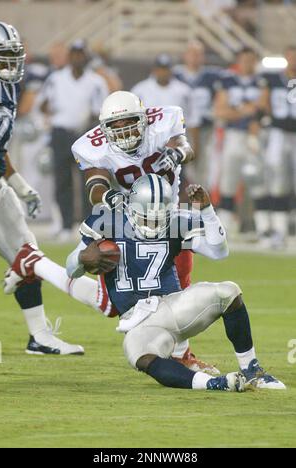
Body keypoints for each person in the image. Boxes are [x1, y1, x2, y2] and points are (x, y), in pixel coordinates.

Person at [66, 174, 285, 391]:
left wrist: (207, 211)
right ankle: (214, 383)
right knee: (138, 354)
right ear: (131, 209)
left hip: (173, 305)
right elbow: (71, 268)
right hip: (137, 320)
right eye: (146, 217)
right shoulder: (106, 221)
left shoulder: (177, 220)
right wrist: (81, 258)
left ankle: (252, 371)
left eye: (159, 216)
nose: (153, 223)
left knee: (228, 292)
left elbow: (219, 252)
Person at [71, 89, 219, 374]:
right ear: (104, 128)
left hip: (168, 214)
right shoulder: (90, 146)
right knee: (108, 300)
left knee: (180, 285)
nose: (124, 130)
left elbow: (186, 146)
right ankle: (36, 263)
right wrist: (108, 198)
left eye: (129, 122)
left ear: (143, 118)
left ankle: (181, 356)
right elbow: (95, 184)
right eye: (115, 125)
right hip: (126, 222)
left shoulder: (164, 119)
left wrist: (176, 153)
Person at [0, 21, 83, 355]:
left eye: (12, 57)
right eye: (2, 58)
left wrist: (19, 184)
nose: (10, 65)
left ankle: (39, 336)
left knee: (27, 254)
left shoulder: (7, 89)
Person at [39, 39, 109, 241]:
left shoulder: (96, 81)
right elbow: (44, 104)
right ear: (69, 57)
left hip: (85, 134)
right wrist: (49, 109)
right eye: (74, 54)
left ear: (86, 56)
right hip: (61, 132)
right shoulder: (56, 78)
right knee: (63, 180)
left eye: (81, 54)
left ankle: (88, 224)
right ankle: (66, 224)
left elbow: (101, 112)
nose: (78, 58)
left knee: (89, 180)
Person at [214, 47, 269, 240]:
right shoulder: (228, 80)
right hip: (234, 135)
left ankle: (264, 229)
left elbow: (263, 108)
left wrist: (238, 110)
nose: (247, 63)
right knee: (228, 181)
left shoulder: (262, 81)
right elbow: (220, 111)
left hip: (254, 136)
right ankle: (223, 228)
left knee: (258, 181)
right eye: (244, 59)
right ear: (239, 60)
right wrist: (246, 111)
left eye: (251, 59)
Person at [258, 46, 296, 249]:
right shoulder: (273, 79)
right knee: (278, 181)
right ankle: (279, 232)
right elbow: (263, 103)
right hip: (279, 133)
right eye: (291, 57)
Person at [173, 41, 221, 189]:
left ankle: (200, 204)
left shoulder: (212, 76)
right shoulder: (175, 75)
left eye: (198, 54)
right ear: (185, 55)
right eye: (192, 53)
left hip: (205, 129)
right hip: (178, 131)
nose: (194, 57)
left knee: (202, 167)